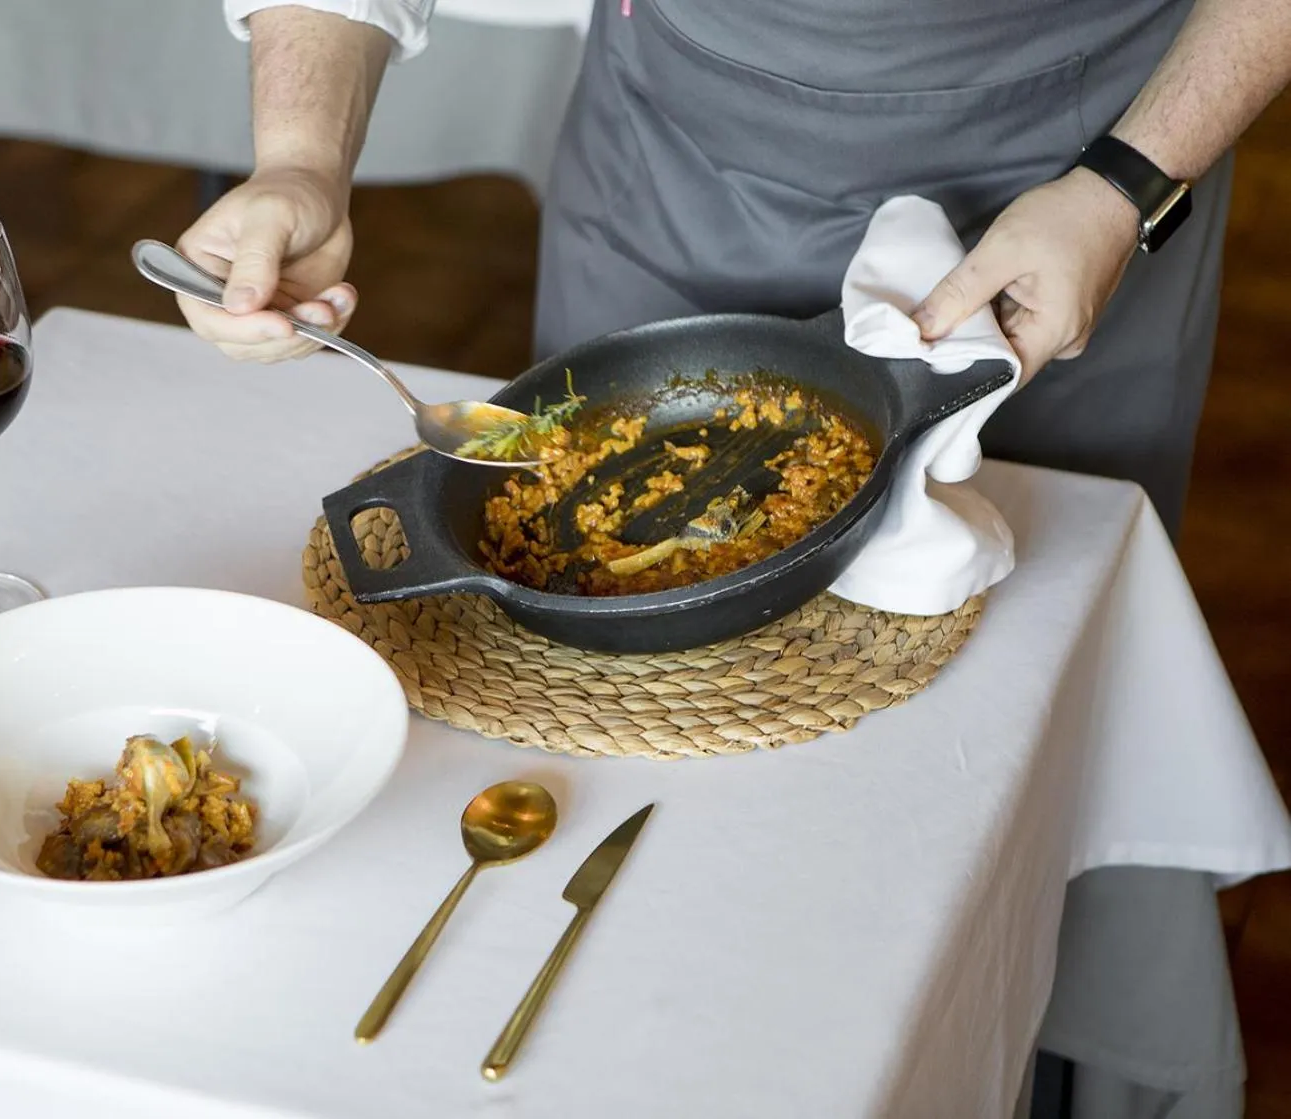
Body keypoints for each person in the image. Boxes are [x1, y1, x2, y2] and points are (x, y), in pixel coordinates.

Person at [183, 2, 1290, 1115]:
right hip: (675, 170)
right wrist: (300, 161)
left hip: (1075, 179)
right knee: (617, 754)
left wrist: (1127, 187)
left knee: (989, 769)